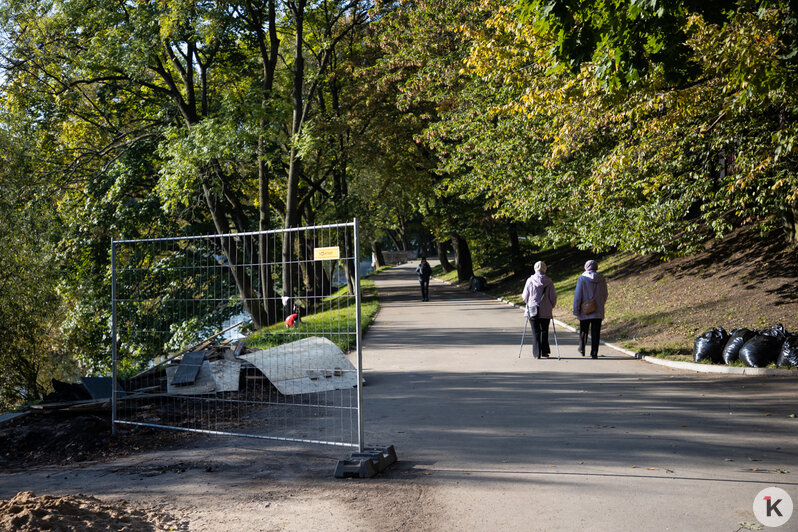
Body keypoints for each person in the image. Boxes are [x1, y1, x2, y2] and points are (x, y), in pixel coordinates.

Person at [573, 259, 609, 359]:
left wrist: (576, 309)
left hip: (585, 309)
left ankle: (582, 348)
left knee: (584, 329)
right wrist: (601, 304)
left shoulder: (582, 279)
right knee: (596, 332)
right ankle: (594, 352)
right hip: (598, 309)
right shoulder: (601, 279)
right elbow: (605, 294)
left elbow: (578, 295)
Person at [522, 261, 557, 359]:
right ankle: (545, 352)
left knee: (535, 332)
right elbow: (553, 297)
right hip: (546, 309)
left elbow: (525, 296)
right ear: (545, 269)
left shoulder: (530, 280)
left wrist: (529, 302)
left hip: (533, 309)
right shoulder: (549, 281)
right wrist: (551, 306)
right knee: (544, 331)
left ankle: (537, 353)